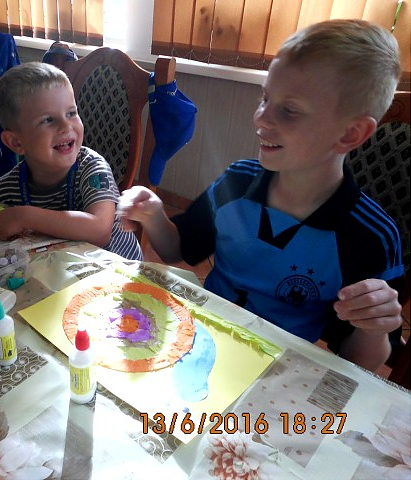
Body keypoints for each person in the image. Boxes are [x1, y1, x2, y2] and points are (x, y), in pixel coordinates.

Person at [118, 19, 404, 372]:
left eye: (289, 110)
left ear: (350, 134)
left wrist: (375, 326)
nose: (261, 118)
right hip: (197, 343)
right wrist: (154, 215)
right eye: (265, 98)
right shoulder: (237, 181)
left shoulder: (371, 237)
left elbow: (359, 362)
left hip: (279, 371)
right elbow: (178, 249)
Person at [0, 62, 142, 261]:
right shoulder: (6, 190)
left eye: (71, 113)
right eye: (48, 120)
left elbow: (99, 231)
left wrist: (25, 217)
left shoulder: (92, 168)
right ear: (16, 142)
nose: (66, 126)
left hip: (120, 271)